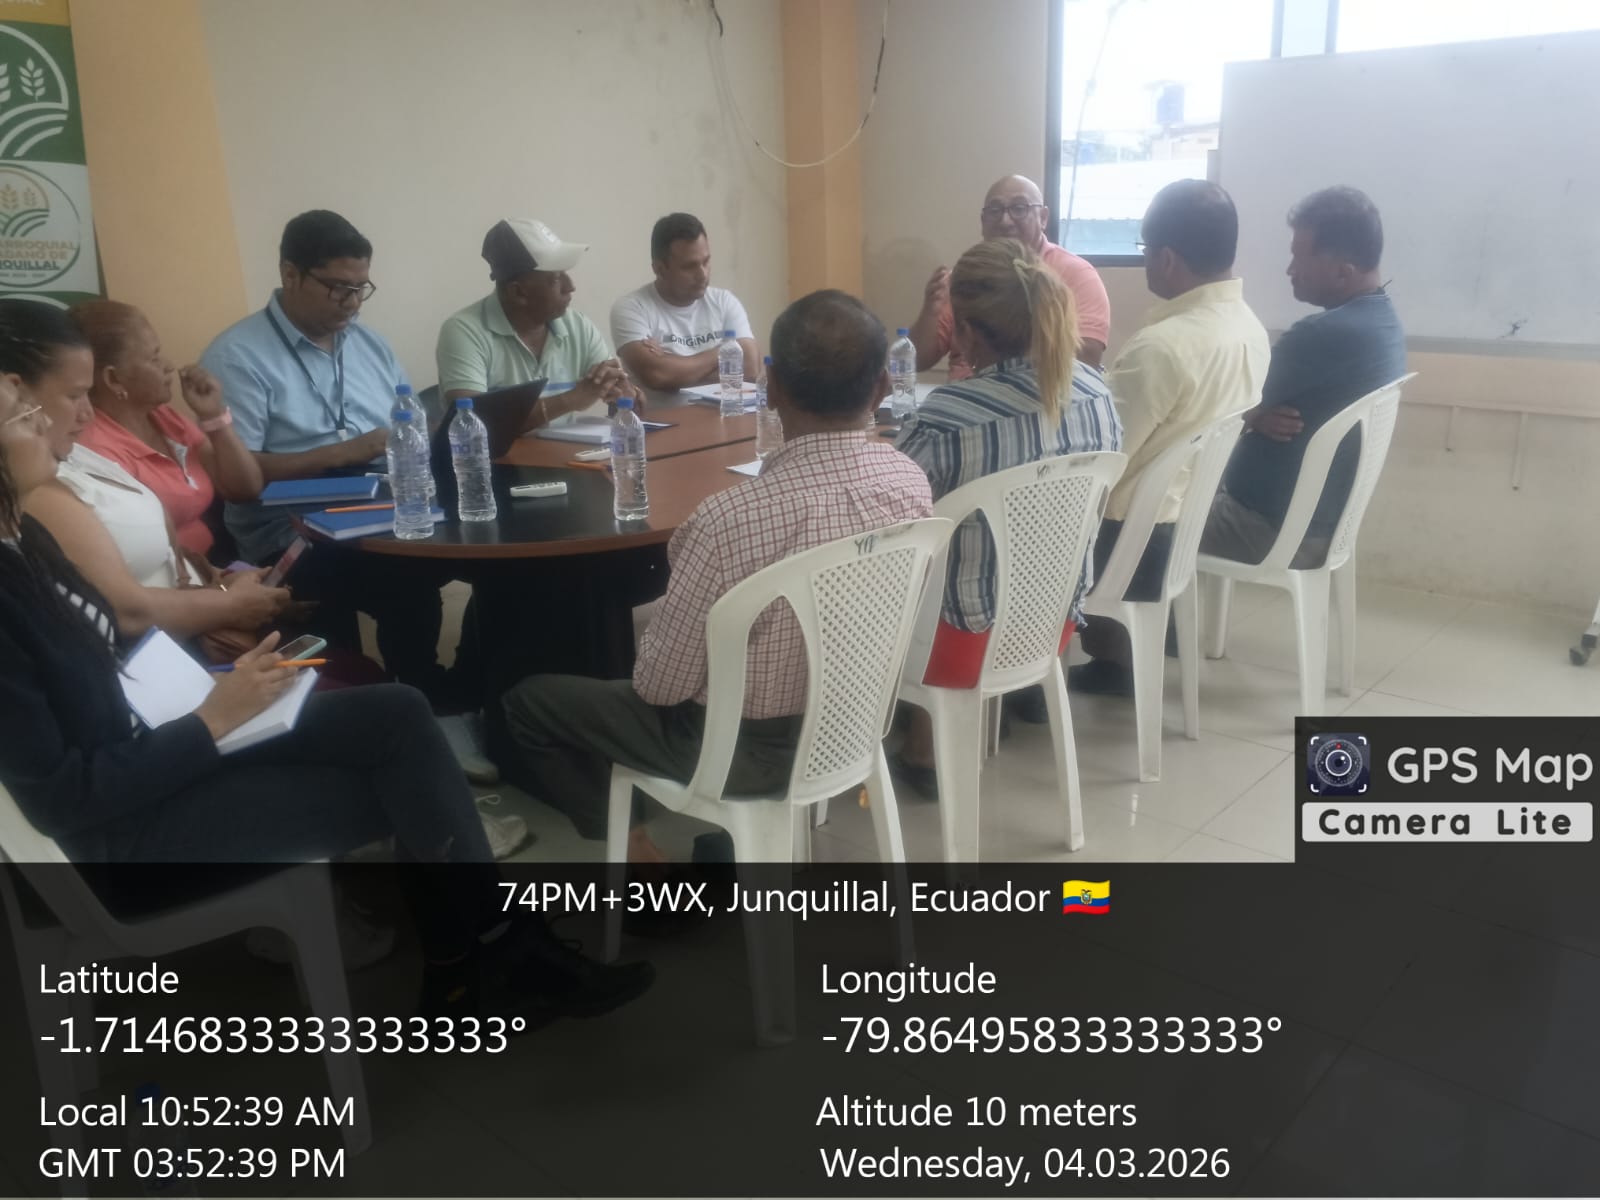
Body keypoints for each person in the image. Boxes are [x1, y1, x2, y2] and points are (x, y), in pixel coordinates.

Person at [0, 363, 653, 1021]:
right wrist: (211, 721)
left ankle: (473, 962)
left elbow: (108, 663)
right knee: (415, 787)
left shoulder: (29, 540)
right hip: (125, 839)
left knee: (398, 712)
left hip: (163, 746)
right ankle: (490, 953)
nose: (44, 420)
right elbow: (65, 799)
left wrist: (210, 684)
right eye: (22, 418)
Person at [501, 290, 933, 862]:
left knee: (528, 702)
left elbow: (661, 688)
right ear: (882, 386)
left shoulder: (726, 520)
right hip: (854, 726)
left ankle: (635, 853)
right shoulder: (910, 481)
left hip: (740, 754)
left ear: (770, 390)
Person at [891, 240, 1122, 789]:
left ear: (968, 333)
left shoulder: (948, 418)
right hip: (1052, 625)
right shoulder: (1096, 392)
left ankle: (916, 744)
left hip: (960, 644)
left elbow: (889, 519)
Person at [200, 210, 448, 696]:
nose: (352, 302)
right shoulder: (237, 356)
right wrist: (343, 452)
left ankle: (425, 690)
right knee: (373, 584)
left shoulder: (369, 344)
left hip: (379, 507)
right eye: (338, 288)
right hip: (291, 528)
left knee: (436, 568)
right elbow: (238, 478)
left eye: (361, 288)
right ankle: (364, 700)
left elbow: (411, 423)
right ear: (290, 274)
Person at [1071, 179, 1270, 697]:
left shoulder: (1161, 347)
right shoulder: (1248, 327)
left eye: (1144, 249)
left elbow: (1099, 458)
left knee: (1015, 517)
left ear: (1166, 259)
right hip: (1182, 527)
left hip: (1128, 545)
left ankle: (1021, 684)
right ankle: (1131, 645)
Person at [14, 301, 290, 643]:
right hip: (173, 635)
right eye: (74, 395)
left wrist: (221, 585)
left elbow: (244, 488)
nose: (169, 365)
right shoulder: (61, 470)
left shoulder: (154, 424)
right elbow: (125, 611)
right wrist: (230, 604)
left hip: (201, 589)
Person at [1202, 186, 1406, 568]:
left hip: (1266, 531)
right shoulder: (1384, 322)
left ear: (1343, 272)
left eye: (1299, 257)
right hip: (1321, 528)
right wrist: (1256, 415)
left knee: (1147, 524)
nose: (1290, 269)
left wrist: (1252, 415)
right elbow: (1243, 405)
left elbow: (1215, 413)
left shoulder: (1320, 335)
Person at [73, 300, 262, 561]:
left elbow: (245, 488)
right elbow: (140, 553)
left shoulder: (163, 417)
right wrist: (221, 582)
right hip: (173, 576)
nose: (169, 365)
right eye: (154, 358)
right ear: (113, 379)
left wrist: (213, 417)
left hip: (209, 564)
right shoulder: (97, 450)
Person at [437, 217, 639, 427]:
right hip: (503, 451)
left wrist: (624, 392)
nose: (570, 286)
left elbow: (616, 386)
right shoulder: (464, 331)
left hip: (566, 448)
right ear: (518, 292)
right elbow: (471, 420)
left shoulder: (577, 325)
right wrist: (570, 400)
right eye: (556, 278)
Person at [909, 174, 1112, 374]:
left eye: (1019, 208)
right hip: (964, 390)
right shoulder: (967, 275)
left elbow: (1087, 359)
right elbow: (915, 362)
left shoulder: (1076, 273)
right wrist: (930, 313)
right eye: (995, 210)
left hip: (1039, 391)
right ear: (983, 221)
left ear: (1043, 218)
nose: (1005, 221)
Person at [610, 212, 757, 404]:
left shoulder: (724, 301)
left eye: (706, 262)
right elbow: (657, 375)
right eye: (689, 267)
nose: (702, 274)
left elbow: (750, 369)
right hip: (661, 422)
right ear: (660, 269)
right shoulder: (632, 308)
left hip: (723, 419)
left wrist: (672, 365)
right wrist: (726, 352)